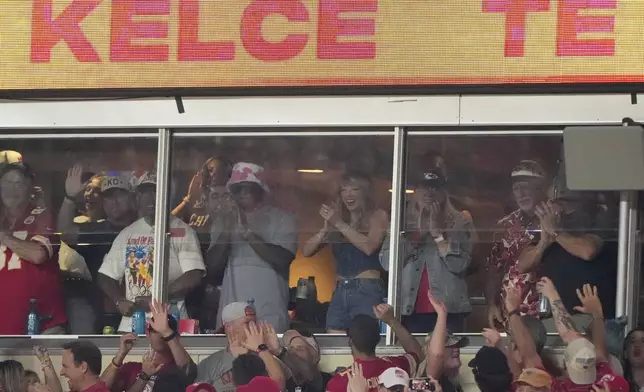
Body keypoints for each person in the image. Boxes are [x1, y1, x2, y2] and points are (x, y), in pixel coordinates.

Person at [98, 172, 205, 332]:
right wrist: (118, 301)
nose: (150, 198)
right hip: (132, 325)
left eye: (156, 191)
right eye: (144, 192)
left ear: (168, 195)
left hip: (170, 324)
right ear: (137, 197)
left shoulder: (181, 231)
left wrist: (157, 296)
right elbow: (105, 275)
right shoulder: (129, 233)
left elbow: (194, 276)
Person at [380, 169, 473, 333]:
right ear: (414, 192)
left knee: (446, 355)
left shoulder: (459, 221)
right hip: (410, 310)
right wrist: (417, 236)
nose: (429, 193)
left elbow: (459, 265)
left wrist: (437, 235)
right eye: (424, 188)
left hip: (449, 310)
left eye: (435, 188)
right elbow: (388, 263)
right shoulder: (399, 222)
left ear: (444, 193)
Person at [210, 162, 297, 333]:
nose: (242, 193)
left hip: (269, 317)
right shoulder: (223, 221)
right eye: (237, 188)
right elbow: (212, 270)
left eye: (248, 187)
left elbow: (282, 260)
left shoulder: (281, 219)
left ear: (261, 190)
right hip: (232, 319)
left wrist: (248, 234)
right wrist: (227, 230)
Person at [303, 170, 388, 332]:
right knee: (335, 338)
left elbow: (369, 247)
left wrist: (338, 222)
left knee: (364, 337)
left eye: (354, 189)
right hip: (341, 287)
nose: (348, 194)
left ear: (365, 192)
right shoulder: (340, 220)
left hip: (366, 287)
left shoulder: (377, 215)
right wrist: (325, 229)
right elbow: (307, 251)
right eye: (344, 190)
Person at [59, 168, 137, 334]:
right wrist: (69, 199)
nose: (114, 202)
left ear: (131, 198)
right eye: (108, 197)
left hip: (143, 312)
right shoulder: (97, 231)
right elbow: (65, 232)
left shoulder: (145, 227)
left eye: (120, 195)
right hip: (104, 315)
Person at [0, 157, 67, 334]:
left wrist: (4, 237)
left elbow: (38, 254)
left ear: (30, 189)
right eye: (6, 182)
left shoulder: (43, 216)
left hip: (41, 326)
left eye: (18, 184)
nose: (11, 189)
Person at [485, 160, 548, 329]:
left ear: (540, 189)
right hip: (511, 311)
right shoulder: (505, 225)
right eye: (516, 188)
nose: (521, 193)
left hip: (546, 312)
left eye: (526, 187)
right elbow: (494, 270)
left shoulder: (553, 219)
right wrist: (492, 304)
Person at [536, 277, 619, 391]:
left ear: (566, 364)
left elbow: (567, 333)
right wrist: (597, 315)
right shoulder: (610, 381)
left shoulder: (561, 388)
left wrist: (552, 295)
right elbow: (569, 334)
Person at [100, 300, 197, 392]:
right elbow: (99, 389)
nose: (160, 334)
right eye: (155, 330)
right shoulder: (132, 369)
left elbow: (189, 372)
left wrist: (167, 332)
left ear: (176, 337)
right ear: (148, 334)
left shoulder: (178, 371)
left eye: (164, 331)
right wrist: (120, 355)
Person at [324, 308, 423, 392]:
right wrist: (392, 321)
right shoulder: (397, 366)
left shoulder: (338, 382)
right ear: (378, 339)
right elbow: (418, 355)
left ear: (350, 342)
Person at [196, 302, 286, 392]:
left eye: (254, 322)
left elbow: (279, 385)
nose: (253, 327)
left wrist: (265, 349)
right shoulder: (211, 364)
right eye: (247, 323)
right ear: (229, 327)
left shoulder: (267, 357)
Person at [263, 326, 331, 392]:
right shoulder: (285, 383)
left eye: (299, 348)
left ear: (316, 355)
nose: (292, 353)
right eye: (289, 349)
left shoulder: (328, 381)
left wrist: (280, 351)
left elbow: (307, 373)